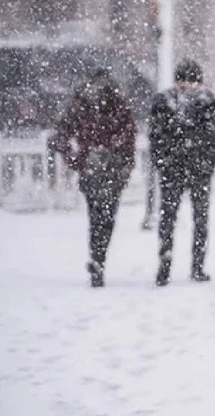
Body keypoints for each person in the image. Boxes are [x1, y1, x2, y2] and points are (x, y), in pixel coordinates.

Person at [49, 68, 136, 288]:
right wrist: (125, 164)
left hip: (92, 167)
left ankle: (97, 259)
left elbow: (59, 135)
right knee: (106, 217)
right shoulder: (117, 105)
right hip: (110, 168)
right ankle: (99, 259)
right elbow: (129, 139)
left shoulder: (81, 104)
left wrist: (75, 158)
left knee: (96, 216)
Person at [150, 59, 215, 287]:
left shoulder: (163, 101)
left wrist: (162, 161)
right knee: (200, 218)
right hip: (199, 168)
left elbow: (155, 137)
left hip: (173, 168)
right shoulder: (207, 100)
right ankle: (197, 266)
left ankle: (165, 264)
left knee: (169, 217)